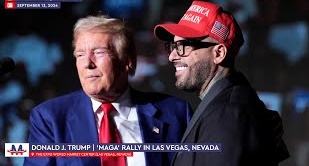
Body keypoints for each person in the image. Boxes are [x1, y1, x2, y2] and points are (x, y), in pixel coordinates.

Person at [24, 14, 192, 166]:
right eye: (80, 55)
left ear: (128, 62)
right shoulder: (50, 118)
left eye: (98, 52)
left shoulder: (175, 112)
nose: (87, 64)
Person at [154, 0, 290, 166]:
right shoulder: (227, 105)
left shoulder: (228, 114)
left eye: (183, 46)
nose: (172, 56)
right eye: (172, 46)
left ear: (218, 53)